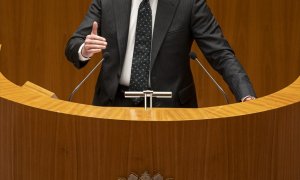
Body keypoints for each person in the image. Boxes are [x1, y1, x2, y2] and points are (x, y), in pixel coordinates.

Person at [65, 0, 256, 107]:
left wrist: (245, 95)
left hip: (170, 106)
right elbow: (74, 44)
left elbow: (221, 53)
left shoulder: (189, 4)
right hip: (113, 103)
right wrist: (84, 49)